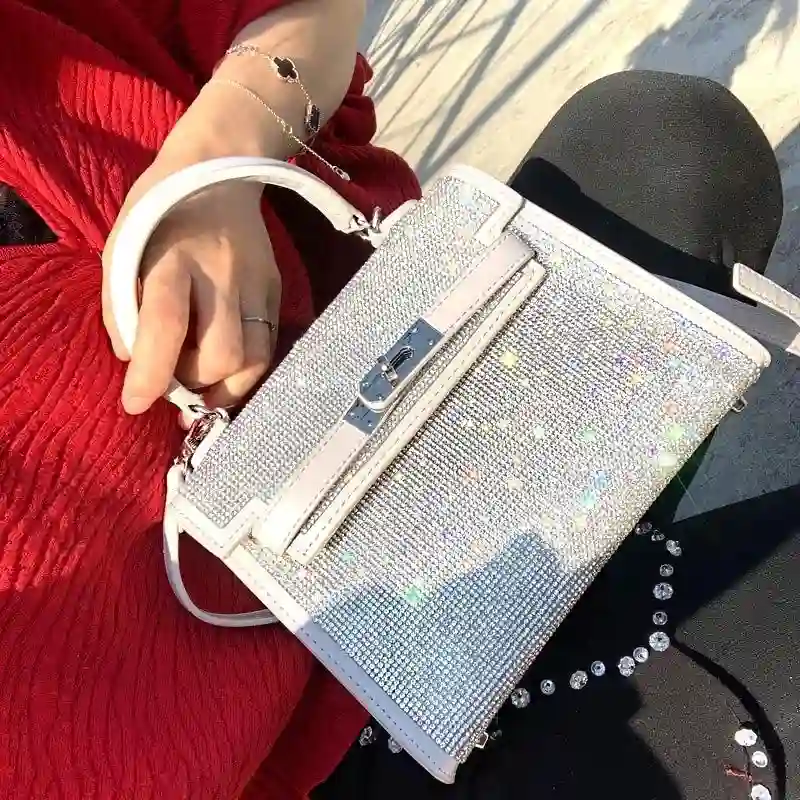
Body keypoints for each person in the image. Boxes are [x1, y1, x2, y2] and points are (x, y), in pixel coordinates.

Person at [316, 72, 798, 800]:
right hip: (341, 765)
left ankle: (613, 519)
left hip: (304, 490)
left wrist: (234, 117)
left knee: (661, 141)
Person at [0, 0, 418, 797]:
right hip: (323, 740)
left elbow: (308, 15)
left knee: (650, 135)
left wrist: (215, 158)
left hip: (417, 396)